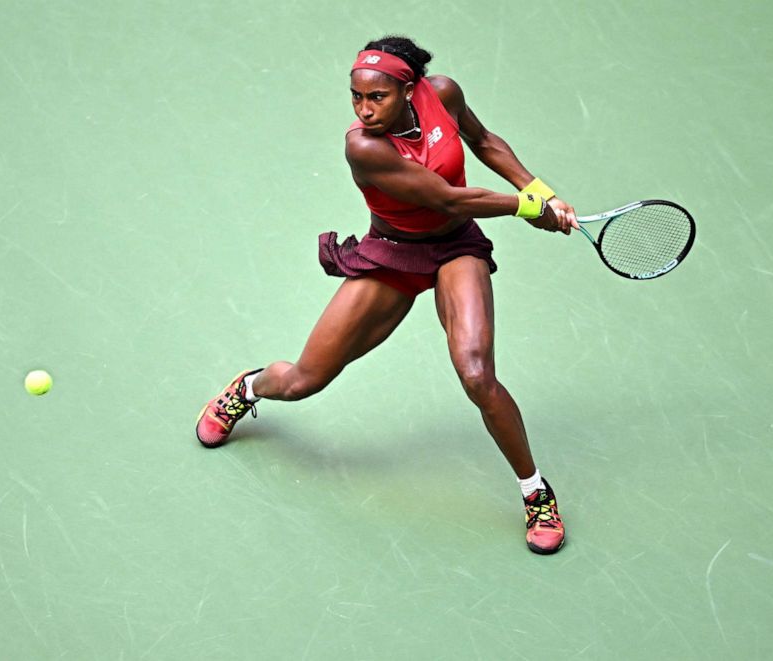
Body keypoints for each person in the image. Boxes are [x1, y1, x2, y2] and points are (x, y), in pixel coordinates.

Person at [196, 35, 578, 555]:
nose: (363, 109)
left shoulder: (442, 93)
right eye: (355, 96)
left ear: (410, 88)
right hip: (392, 254)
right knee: (305, 379)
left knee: (476, 373)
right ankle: (250, 387)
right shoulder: (364, 147)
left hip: (454, 249)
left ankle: (535, 493)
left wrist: (541, 190)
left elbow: (484, 141)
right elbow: (445, 196)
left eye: (376, 97)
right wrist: (525, 207)